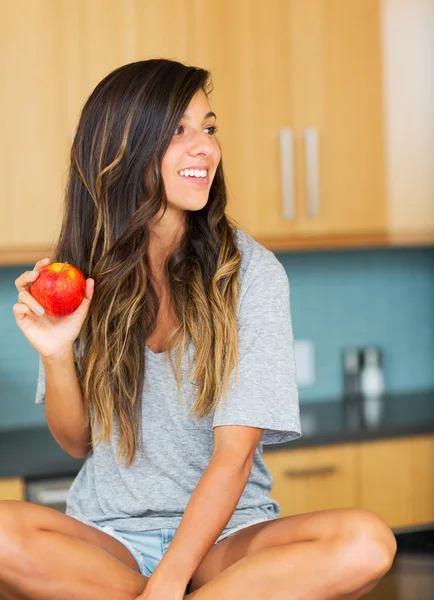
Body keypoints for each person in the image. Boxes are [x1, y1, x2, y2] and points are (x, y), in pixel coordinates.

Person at [6, 58, 396, 600]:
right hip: (110, 535)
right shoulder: (82, 273)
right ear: (120, 151)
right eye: (178, 132)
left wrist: (166, 586)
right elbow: (77, 442)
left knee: (367, 542)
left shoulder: (250, 273)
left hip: (228, 541)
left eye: (208, 129)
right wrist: (56, 352)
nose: (205, 148)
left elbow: (234, 457)